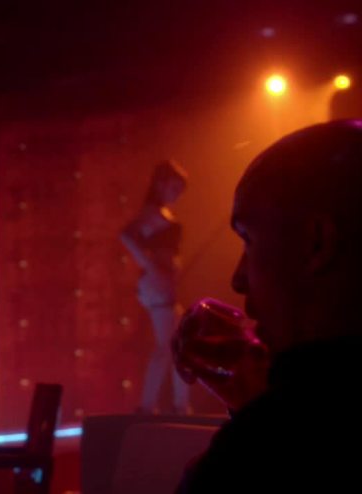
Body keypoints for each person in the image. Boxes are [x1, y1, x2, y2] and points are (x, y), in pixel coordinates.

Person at [176, 120, 362, 493]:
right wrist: (256, 398)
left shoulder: (266, 449)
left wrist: (262, 427)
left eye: (248, 239)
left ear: (316, 243)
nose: (238, 279)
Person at [121, 160, 190, 414]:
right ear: (161, 184)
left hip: (162, 284)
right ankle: (152, 405)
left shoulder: (161, 213)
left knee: (177, 344)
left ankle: (175, 404)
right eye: (174, 187)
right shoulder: (151, 213)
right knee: (168, 346)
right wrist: (151, 267)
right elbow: (126, 235)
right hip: (157, 285)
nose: (177, 194)